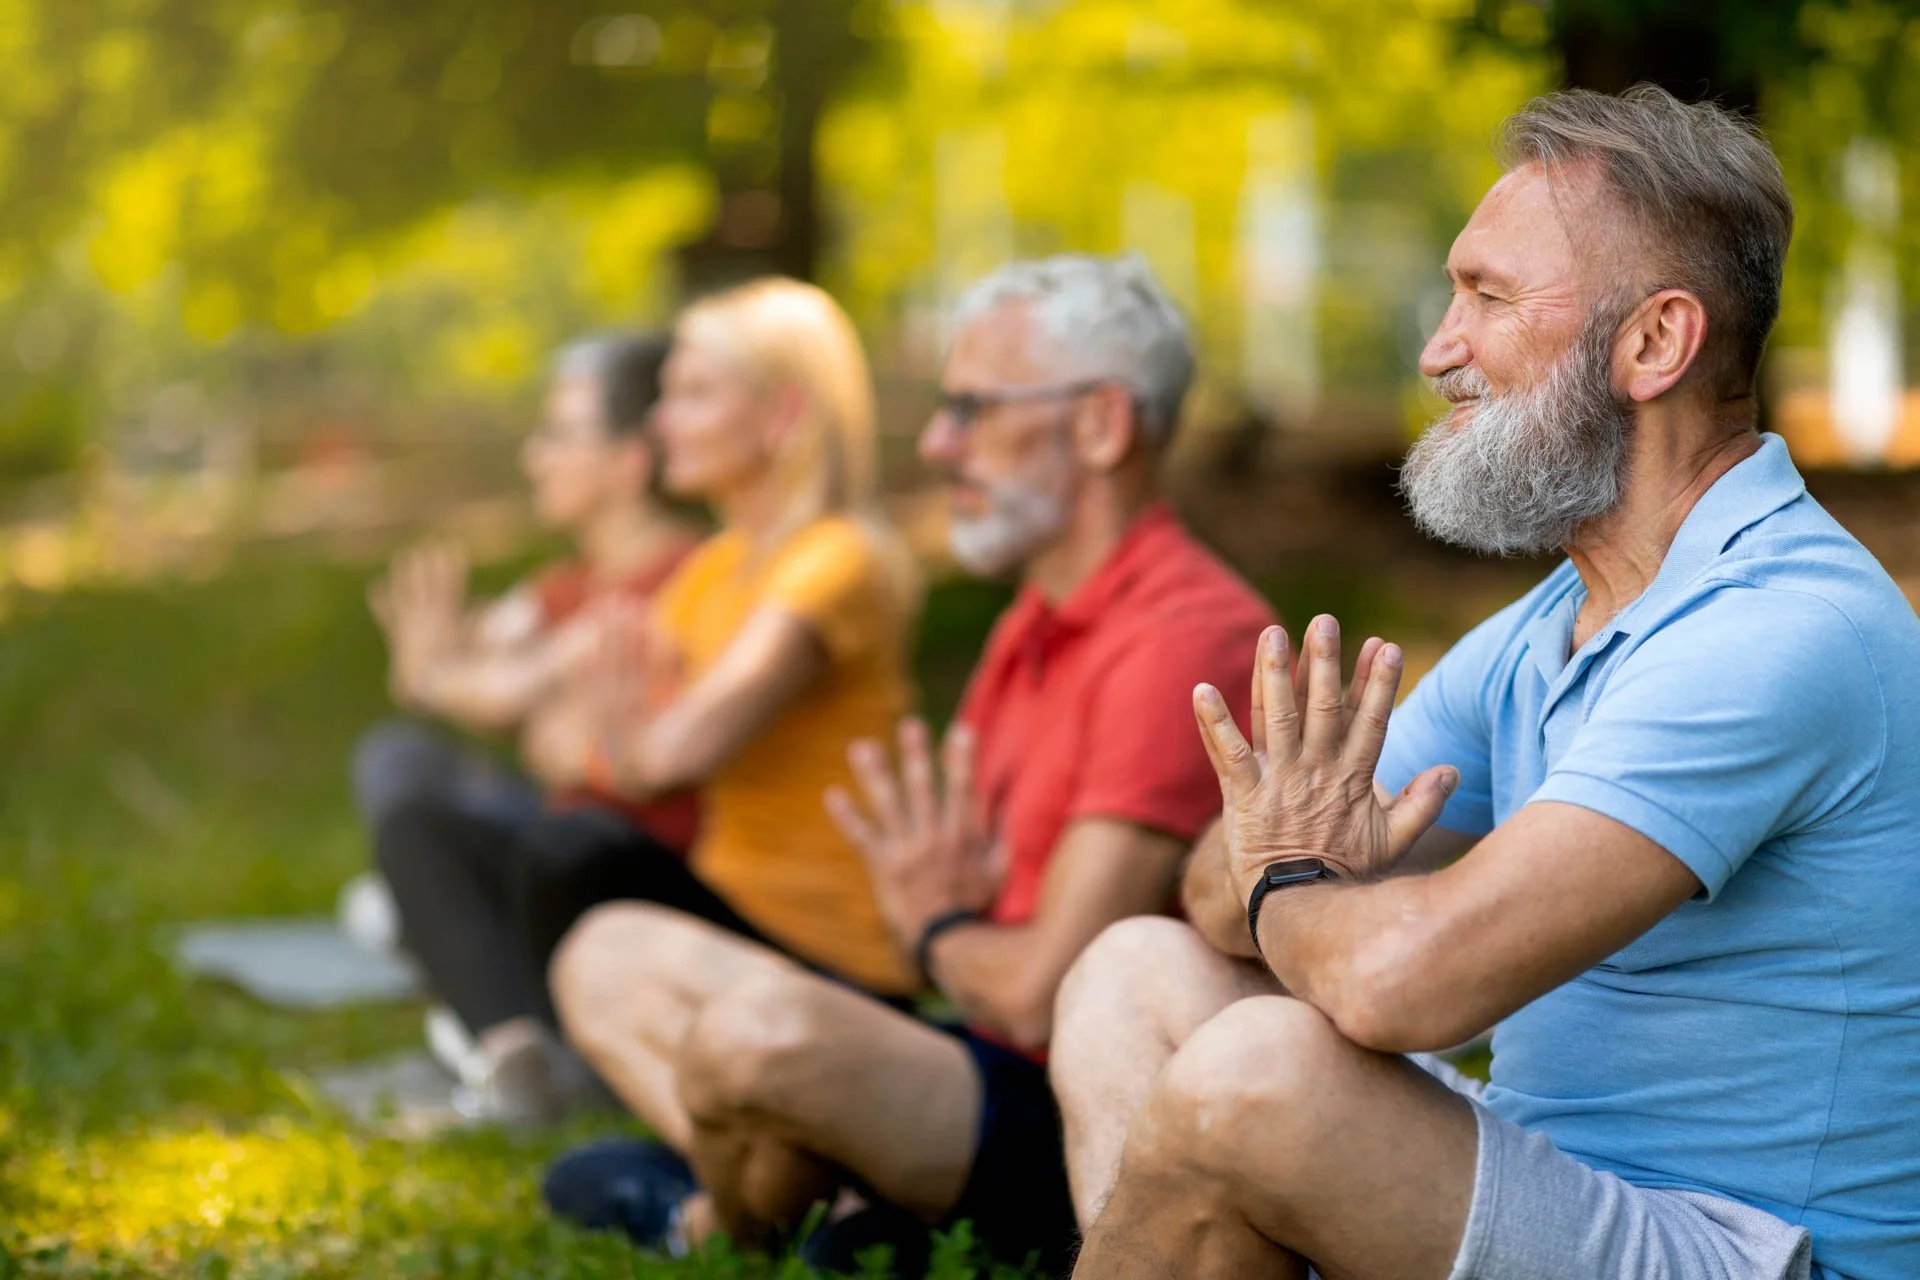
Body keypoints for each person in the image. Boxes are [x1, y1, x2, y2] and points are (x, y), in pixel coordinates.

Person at [1053, 86, 1920, 1280]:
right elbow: (1221, 889)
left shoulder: (1780, 629)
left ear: (1655, 343)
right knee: (1129, 972)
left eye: (1489, 298)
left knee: (1260, 1070)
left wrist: (1296, 881)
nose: (1437, 349)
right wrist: (1294, 869)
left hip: (1756, 1250)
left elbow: (1408, 979)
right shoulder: (1554, 622)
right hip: (1565, 1189)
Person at [544, 255, 1275, 1275]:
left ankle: (724, 1213)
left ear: (1102, 425)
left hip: (1068, 1110)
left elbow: (1033, 990)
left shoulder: (1182, 640)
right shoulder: (1035, 618)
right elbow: (958, 914)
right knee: (604, 950)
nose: (939, 443)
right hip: (957, 1040)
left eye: (973, 408)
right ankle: (838, 1190)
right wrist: (942, 925)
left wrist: (936, 929)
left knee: (756, 1035)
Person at [358, 333, 701, 1116]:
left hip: (624, 871)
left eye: (559, 434)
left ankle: (468, 977)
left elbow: (497, 691)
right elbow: (482, 662)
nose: (535, 456)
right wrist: (444, 671)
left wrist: (440, 675)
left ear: (629, 461)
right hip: (559, 832)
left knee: (418, 817)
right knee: (400, 759)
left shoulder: (674, 580)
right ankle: (504, 1039)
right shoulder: (569, 582)